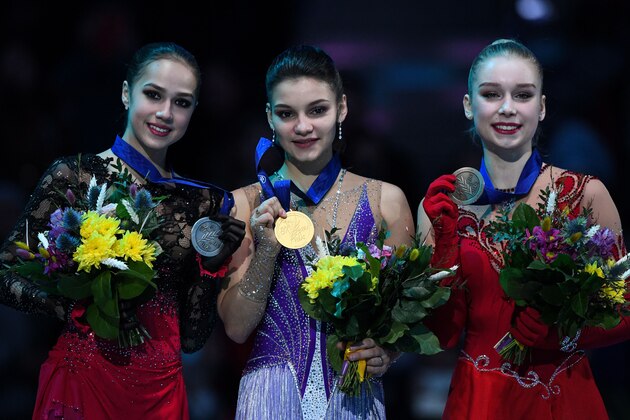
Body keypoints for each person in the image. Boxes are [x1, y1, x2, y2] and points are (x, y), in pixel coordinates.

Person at [0, 42, 245, 419]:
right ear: (126, 92)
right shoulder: (75, 176)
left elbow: (193, 339)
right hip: (84, 379)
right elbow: (6, 273)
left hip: (160, 392)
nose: (165, 113)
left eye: (182, 102)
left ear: (194, 110)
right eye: (153, 94)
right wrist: (74, 307)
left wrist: (208, 268)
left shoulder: (204, 203)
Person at [418, 38, 630, 419]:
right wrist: (445, 248)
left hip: (562, 397)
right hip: (478, 401)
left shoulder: (585, 195)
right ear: (468, 106)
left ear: (542, 107)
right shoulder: (443, 207)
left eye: (523, 95)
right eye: (491, 93)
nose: (507, 108)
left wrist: (561, 334)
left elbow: (625, 310)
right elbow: (443, 336)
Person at [216, 45, 414, 419]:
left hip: (353, 395)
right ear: (270, 118)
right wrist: (267, 252)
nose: (303, 126)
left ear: (341, 108)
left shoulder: (386, 201)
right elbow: (237, 329)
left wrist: (384, 354)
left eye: (317, 110)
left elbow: (404, 322)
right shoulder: (244, 204)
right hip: (270, 398)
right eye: (287, 114)